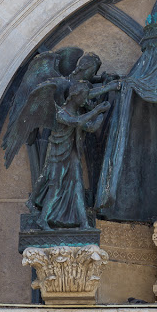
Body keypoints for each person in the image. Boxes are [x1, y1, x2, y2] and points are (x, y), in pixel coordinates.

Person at [31, 82, 111, 230]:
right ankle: (42, 219)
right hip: (58, 155)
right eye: (84, 96)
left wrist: (101, 114)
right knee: (55, 187)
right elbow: (77, 122)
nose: (86, 99)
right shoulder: (61, 113)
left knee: (78, 185)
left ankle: (84, 223)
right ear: (75, 96)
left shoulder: (78, 113)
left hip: (72, 153)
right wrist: (97, 110)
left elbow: (90, 127)